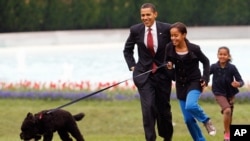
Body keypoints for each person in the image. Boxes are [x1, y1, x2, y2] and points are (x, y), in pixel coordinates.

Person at [123, 3, 173, 141]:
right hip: (144, 76)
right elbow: (127, 50)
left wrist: (172, 62)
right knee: (148, 108)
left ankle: (167, 137)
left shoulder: (167, 29)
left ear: (155, 14)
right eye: (142, 15)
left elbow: (176, 46)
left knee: (163, 110)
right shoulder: (135, 30)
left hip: (163, 75)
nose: (145, 18)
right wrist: (132, 66)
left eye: (148, 15)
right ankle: (150, 139)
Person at [164, 22, 216, 141]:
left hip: (194, 82)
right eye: (171, 36)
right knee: (188, 120)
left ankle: (206, 120)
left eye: (176, 35)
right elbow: (168, 67)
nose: (173, 38)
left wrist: (205, 78)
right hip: (180, 85)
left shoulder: (194, 49)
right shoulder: (169, 48)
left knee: (191, 105)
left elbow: (206, 62)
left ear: (184, 35)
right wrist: (169, 68)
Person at [210, 46, 244, 141]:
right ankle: (228, 133)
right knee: (227, 110)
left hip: (230, 94)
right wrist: (201, 82)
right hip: (218, 92)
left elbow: (241, 81)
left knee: (229, 116)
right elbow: (205, 75)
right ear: (217, 55)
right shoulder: (214, 67)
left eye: (225, 54)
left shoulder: (232, 68)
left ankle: (227, 136)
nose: (222, 56)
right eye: (220, 54)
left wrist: (238, 84)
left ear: (228, 56)